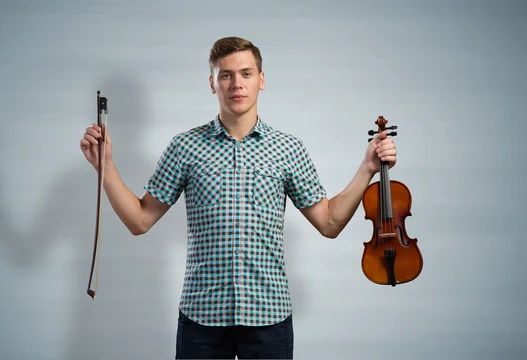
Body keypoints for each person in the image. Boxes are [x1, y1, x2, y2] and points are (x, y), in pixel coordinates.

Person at [80, 36, 396, 359]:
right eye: (226, 75)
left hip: (269, 319)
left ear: (261, 80)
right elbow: (139, 219)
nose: (236, 84)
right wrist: (105, 167)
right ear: (212, 83)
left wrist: (367, 168)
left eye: (246, 73)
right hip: (201, 319)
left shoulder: (288, 149)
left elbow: (329, 222)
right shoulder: (185, 147)